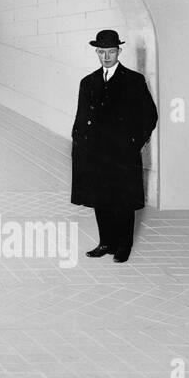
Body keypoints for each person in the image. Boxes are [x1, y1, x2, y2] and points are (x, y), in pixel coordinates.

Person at [71, 29, 158, 263]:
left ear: (119, 51)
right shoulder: (88, 82)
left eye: (111, 51)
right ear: (96, 52)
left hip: (122, 154)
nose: (106, 56)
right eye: (102, 52)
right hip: (97, 154)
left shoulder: (133, 80)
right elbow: (80, 119)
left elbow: (150, 115)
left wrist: (133, 143)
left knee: (123, 201)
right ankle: (105, 242)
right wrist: (81, 146)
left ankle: (123, 246)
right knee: (101, 199)